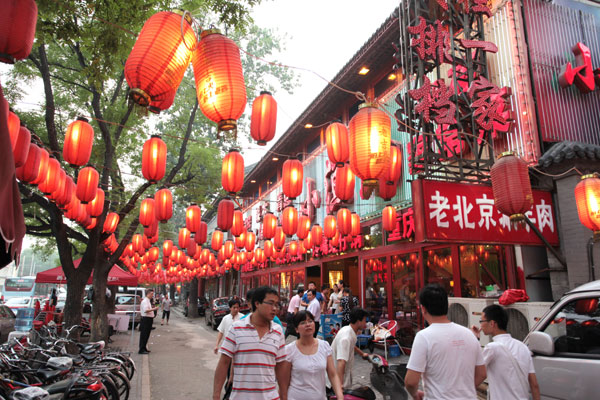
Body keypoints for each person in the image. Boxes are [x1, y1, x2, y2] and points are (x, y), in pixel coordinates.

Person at [405, 284, 486, 400]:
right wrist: (465, 391)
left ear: (423, 309)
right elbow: (482, 373)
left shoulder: (423, 337)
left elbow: (411, 382)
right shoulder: (469, 334)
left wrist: (415, 394)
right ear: (447, 306)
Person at [212, 286, 286, 400]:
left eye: (277, 305)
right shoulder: (236, 328)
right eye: (271, 303)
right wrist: (216, 395)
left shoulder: (278, 331)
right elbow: (224, 362)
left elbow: (281, 367)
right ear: (257, 303)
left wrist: (284, 396)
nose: (275, 308)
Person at [471, 305, 541, 400]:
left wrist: (474, 339)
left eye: (481, 321)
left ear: (492, 323)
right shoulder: (523, 347)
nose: (480, 325)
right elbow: (534, 385)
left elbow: (476, 370)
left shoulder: (492, 348)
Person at [280, 310, 344, 400]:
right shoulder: (289, 350)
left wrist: (340, 395)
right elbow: (284, 382)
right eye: (303, 322)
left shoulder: (324, 346)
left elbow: (332, 374)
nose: (307, 324)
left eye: (310, 321)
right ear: (296, 329)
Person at [330, 307, 370, 389]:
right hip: (336, 379)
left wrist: (361, 353)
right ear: (358, 321)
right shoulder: (346, 337)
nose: (365, 324)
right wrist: (339, 385)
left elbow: (351, 345)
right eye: (364, 321)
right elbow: (341, 361)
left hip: (342, 375)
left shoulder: (348, 330)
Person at [139, 289, 159, 354]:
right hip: (146, 319)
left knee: (147, 334)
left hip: (149, 319)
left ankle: (144, 347)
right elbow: (146, 310)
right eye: (152, 294)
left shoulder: (148, 301)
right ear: (148, 294)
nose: (152, 295)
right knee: (144, 334)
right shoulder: (145, 301)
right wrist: (154, 309)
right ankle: (141, 349)